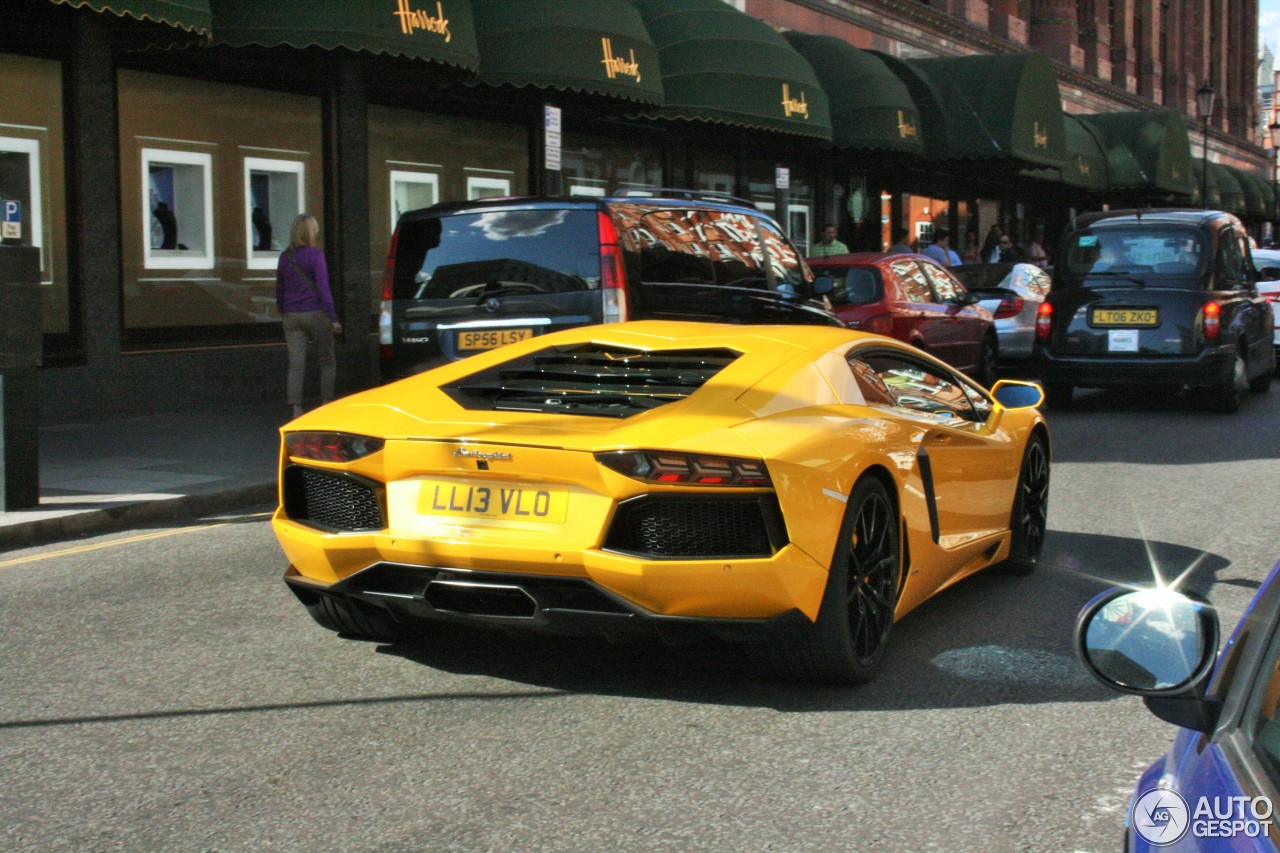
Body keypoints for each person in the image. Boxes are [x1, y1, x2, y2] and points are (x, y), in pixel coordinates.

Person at [276, 213, 341, 419]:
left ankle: (296, 408)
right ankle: (326, 403)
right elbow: (323, 288)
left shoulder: (284, 257)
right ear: (311, 233)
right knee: (327, 359)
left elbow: (280, 288)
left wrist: (283, 310)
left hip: (291, 316)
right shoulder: (316, 256)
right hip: (315, 314)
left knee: (296, 363)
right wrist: (333, 317)